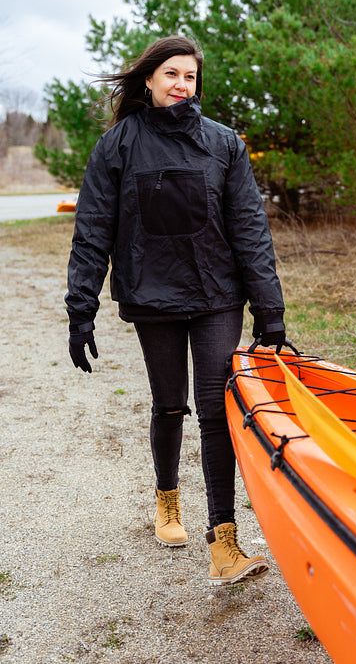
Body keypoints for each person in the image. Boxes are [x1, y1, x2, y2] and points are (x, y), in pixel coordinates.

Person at [65, 35, 287, 585]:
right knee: (170, 405)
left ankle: (225, 542)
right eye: (171, 74)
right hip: (152, 295)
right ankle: (167, 499)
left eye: (190, 77)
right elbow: (92, 230)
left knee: (216, 412)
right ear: (148, 79)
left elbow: (250, 231)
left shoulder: (224, 145)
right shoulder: (118, 145)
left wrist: (270, 308)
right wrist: (81, 307)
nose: (181, 85)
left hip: (216, 295)